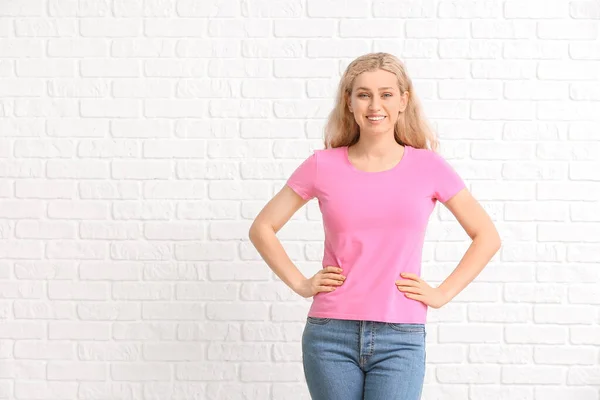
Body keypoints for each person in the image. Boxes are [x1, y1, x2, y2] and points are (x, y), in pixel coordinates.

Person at [248, 52, 501, 400]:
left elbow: (486, 236)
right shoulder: (322, 165)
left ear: (403, 101)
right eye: (363, 94)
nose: (374, 105)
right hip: (329, 334)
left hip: (401, 335)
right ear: (349, 103)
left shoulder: (428, 167)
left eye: (386, 93)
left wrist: (442, 294)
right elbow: (262, 227)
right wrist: (301, 283)